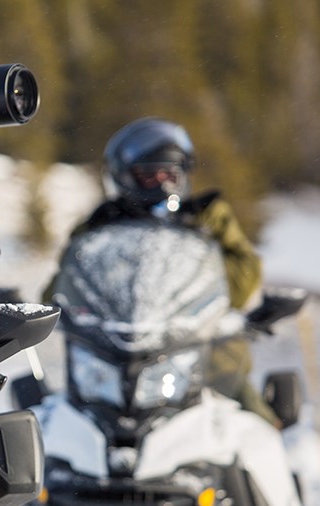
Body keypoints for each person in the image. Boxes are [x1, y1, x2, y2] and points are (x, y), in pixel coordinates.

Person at [45, 117, 281, 428]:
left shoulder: (207, 216)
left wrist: (208, 276)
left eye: (169, 175)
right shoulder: (100, 225)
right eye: (148, 176)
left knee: (258, 427)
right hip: (114, 356)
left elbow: (244, 274)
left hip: (203, 351)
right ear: (124, 177)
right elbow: (64, 284)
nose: (162, 184)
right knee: (53, 423)